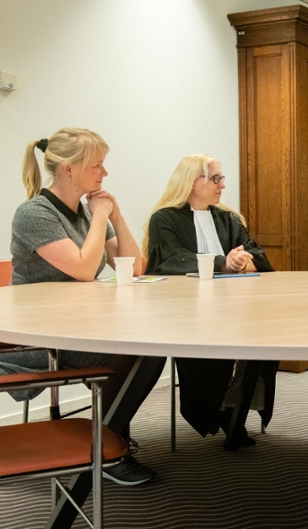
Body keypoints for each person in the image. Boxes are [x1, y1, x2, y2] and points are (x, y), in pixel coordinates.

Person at [4, 128, 161, 485]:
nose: (104, 172)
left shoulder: (86, 214)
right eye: (97, 165)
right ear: (69, 169)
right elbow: (84, 269)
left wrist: (116, 217)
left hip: (76, 325)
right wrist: (101, 216)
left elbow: (133, 267)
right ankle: (106, 450)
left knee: (149, 350)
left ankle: (108, 441)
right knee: (137, 354)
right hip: (38, 335)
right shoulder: (33, 214)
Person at [143, 154, 278, 446]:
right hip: (189, 310)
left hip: (237, 305)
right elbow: (170, 259)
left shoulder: (229, 219)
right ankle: (217, 410)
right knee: (216, 343)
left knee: (267, 335)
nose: (222, 185)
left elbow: (258, 254)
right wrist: (222, 263)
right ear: (191, 182)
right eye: (214, 178)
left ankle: (235, 407)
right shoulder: (164, 219)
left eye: (221, 178)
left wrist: (242, 261)